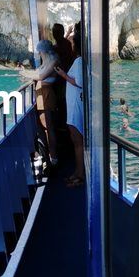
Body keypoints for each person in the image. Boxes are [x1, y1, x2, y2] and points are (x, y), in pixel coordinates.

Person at [54, 25, 85, 187]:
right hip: (75, 104)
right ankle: (78, 172)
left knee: (77, 141)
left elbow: (79, 82)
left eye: (73, 43)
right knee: (76, 141)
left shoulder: (79, 61)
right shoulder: (80, 60)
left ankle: (80, 175)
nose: (71, 45)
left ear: (76, 46)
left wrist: (63, 75)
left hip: (75, 106)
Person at [32, 39, 62, 163]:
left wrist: (24, 73)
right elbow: (38, 73)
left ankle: (53, 157)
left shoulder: (53, 61)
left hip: (46, 95)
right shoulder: (47, 62)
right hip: (42, 95)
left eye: (40, 52)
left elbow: (40, 76)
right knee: (44, 128)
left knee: (48, 127)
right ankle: (49, 156)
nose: (39, 54)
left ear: (44, 51)